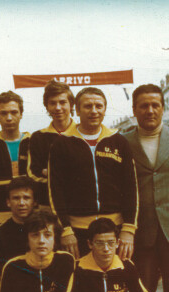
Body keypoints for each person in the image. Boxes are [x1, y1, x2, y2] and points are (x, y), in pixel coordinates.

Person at [49, 87, 138, 259]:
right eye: (88, 106)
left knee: (115, 280)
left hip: (115, 229)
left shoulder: (119, 141)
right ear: (77, 110)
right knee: (81, 280)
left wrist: (129, 229)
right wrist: (65, 230)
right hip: (77, 232)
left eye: (99, 106)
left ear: (105, 109)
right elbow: (55, 191)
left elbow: (131, 188)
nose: (94, 111)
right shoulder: (62, 144)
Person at [123, 84, 169, 292]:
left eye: (155, 104)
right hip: (141, 231)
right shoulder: (122, 142)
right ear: (134, 109)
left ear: (163, 107)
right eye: (143, 105)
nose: (150, 110)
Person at [0, 90, 30, 226]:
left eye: (13, 112)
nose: (9, 118)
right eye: (3, 113)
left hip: (31, 217)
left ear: (21, 114)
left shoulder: (32, 143)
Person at [27, 80, 76, 210]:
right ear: (47, 107)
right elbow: (33, 172)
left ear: (71, 104)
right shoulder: (38, 137)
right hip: (47, 206)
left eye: (62, 102)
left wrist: (49, 172)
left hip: (79, 206)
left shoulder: (82, 133)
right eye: (52, 103)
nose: (58, 108)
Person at [0, 176, 35, 292]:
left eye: (26, 198)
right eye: (16, 198)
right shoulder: (0, 232)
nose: (21, 203)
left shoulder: (45, 229)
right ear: (8, 202)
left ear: (34, 202)